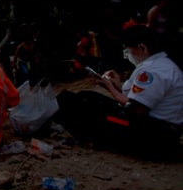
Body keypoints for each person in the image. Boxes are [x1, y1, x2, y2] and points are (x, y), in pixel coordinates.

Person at [53, 24, 183, 160]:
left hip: (153, 136)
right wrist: (116, 85)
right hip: (163, 132)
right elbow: (143, 98)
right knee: (87, 97)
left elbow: (135, 108)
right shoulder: (163, 65)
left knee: (79, 105)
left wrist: (110, 87)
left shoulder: (152, 71)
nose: (127, 54)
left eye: (128, 49)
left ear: (142, 48)